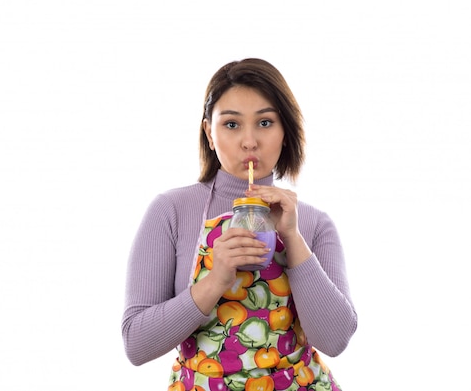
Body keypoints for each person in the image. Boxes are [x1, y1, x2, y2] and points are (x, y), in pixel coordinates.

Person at [121, 58, 357, 391]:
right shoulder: (171, 211)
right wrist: (216, 280)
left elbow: (334, 340)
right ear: (209, 132)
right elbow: (136, 343)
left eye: (265, 123)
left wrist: (291, 236)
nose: (249, 141)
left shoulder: (314, 224)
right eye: (232, 124)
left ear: (285, 132)